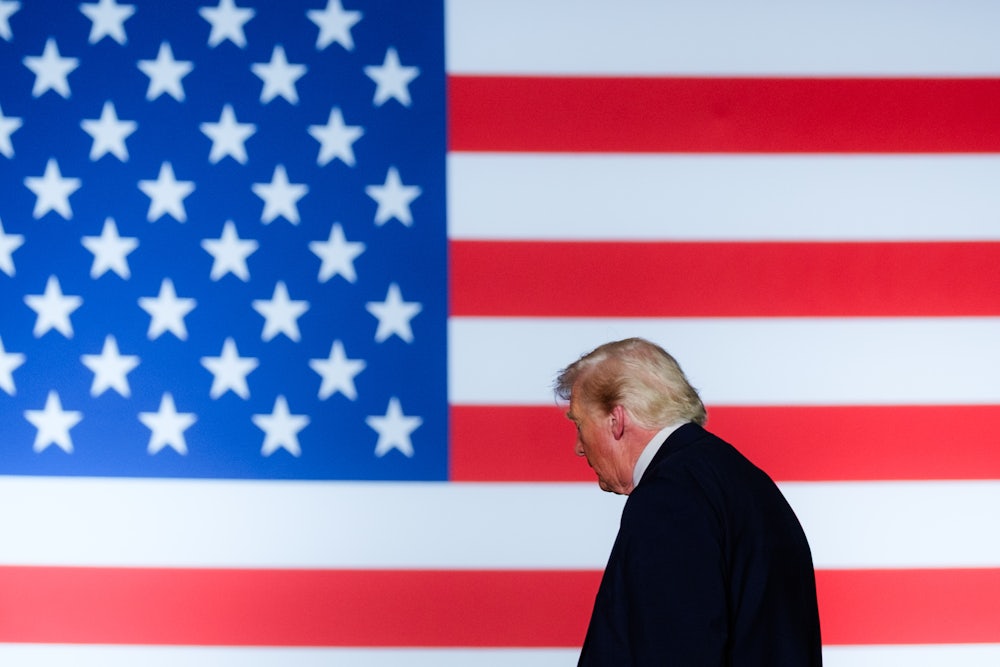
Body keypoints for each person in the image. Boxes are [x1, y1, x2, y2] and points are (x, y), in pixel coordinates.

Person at [555, 337, 822, 666]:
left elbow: (672, 652)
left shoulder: (667, 498)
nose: (579, 447)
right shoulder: (745, 481)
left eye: (580, 424)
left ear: (616, 419)